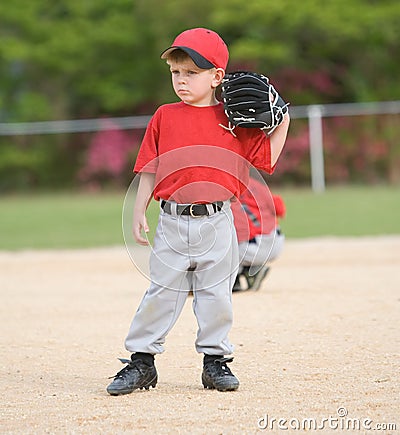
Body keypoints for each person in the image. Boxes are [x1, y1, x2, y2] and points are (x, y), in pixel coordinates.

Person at [106, 27, 290, 395]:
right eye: (176, 72)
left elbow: (266, 159)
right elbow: (150, 168)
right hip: (172, 220)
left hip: (219, 221)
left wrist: (283, 119)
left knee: (216, 294)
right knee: (161, 292)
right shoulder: (164, 116)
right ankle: (142, 362)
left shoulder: (235, 121)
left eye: (192, 72)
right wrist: (138, 211)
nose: (181, 80)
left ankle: (215, 362)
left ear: (217, 76)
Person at [231, 176, 286, 292]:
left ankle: (239, 276)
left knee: (216, 249)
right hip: (276, 241)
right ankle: (251, 269)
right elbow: (280, 209)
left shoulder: (221, 189)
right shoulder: (255, 184)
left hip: (250, 247)